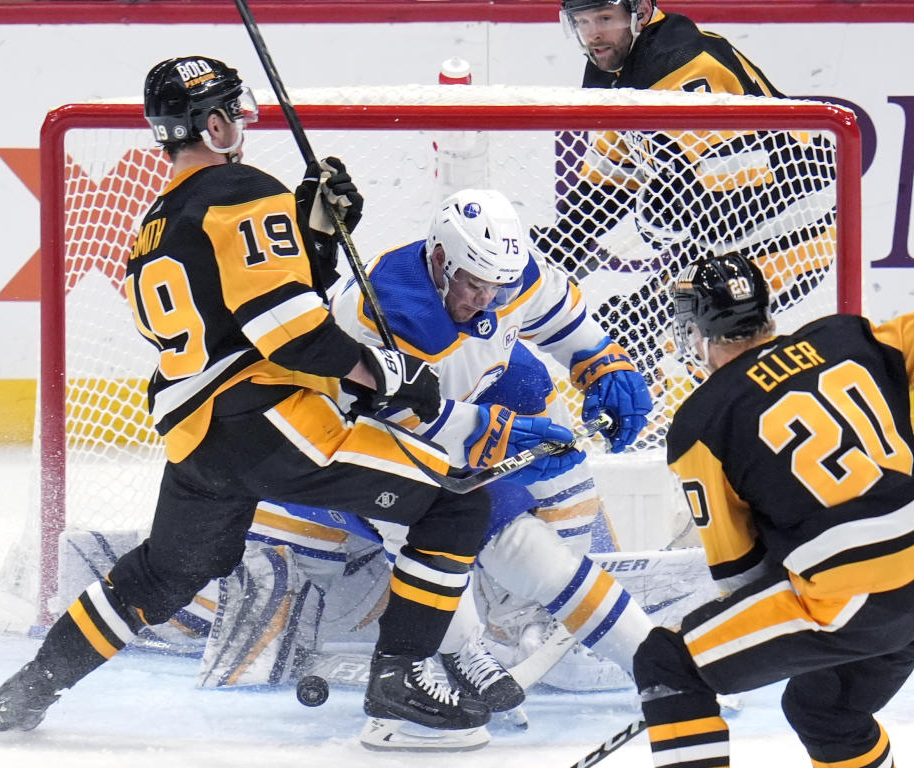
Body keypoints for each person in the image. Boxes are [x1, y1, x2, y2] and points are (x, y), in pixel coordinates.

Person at [0, 55, 503, 741]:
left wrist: (314, 236)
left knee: (161, 577)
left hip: (200, 442)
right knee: (457, 504)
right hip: (274, 423)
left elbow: (248, 310)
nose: (245, 123)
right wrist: (388, 374)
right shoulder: (242, 188)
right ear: (215, 122)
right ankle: (398, 680)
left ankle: (30, 689)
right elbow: (288, 333)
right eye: (234, 110)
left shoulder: (153, 225)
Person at [190, 189, 658, 740]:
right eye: (473, 285)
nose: (486, 301)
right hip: (339, 456)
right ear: (439, 260)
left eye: (497, 287)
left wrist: (604, 363)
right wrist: (492, 434)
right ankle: (452, 654)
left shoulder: (506, 275)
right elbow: (394, 424)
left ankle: (661, 669)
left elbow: (562, 319)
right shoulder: (386, 310)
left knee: (536, 551)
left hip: (442, 437)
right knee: (425, 523)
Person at [630, 252, 914, 767]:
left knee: (667, 662)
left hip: (855, 598)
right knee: (824, 710)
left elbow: (741, 574)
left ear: (697, 334)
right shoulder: (847, 336)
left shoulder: (701, 423)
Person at [538, 0, 836, 395]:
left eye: (605, 19)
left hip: (791, 234)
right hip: (726, 242)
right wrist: (564, 244)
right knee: (632, 327)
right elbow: (614, 180)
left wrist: (666, 217)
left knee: (693, 333)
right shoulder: (619, 69)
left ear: (639, 13)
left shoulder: (686, 67)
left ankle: (754, 421)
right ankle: (659, 419)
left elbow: (732, 202)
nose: (593, 34)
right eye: (583, 22)